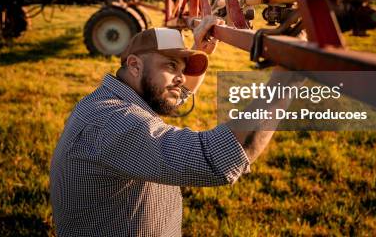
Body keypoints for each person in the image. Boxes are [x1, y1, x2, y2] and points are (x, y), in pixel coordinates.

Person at [49, 16, 296, 236]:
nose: (180, 77)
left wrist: (200, 50)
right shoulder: (113, 122)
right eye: (170, 66)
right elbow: (215, 159)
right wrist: (288, 74)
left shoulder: (111, 101)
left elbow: (173, 94)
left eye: (182, 68)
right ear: (134, 65)